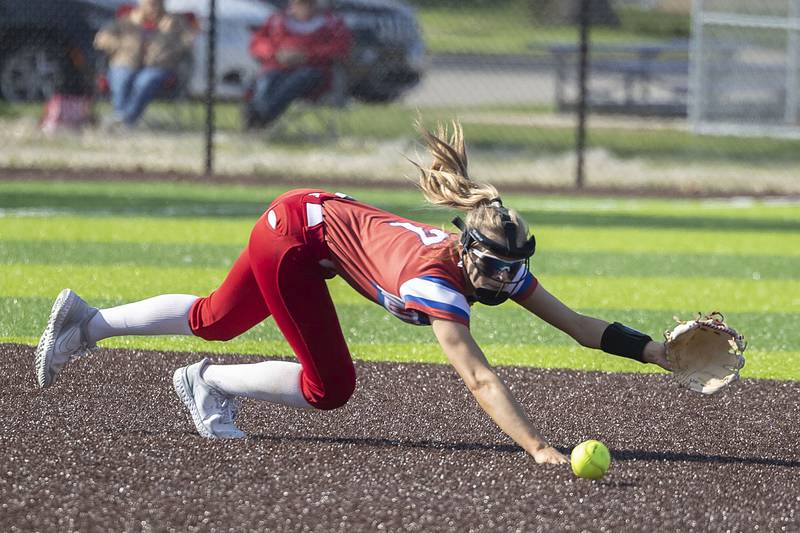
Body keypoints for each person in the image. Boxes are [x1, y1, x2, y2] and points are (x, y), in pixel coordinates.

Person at [34, 120, 672, 465]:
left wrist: (656, 355)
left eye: (515, 269)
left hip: (301, 216)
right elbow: (478, 380)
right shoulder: (440, 284)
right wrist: (539, 448)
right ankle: (209, 385)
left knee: (215, 317)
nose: (508, 280)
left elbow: (579, 325)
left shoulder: (489, 265)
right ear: (469, 251)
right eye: (498, 268)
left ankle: (86, 324)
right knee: (331, 387)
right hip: (295, 239)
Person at [245, 0, 351, 129]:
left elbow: (341, 47)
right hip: (278, 67)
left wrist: (307, 55)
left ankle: (262, 116)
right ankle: (256, 118)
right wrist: (276, 54)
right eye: (299, 3)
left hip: (313, 71)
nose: (304, 7)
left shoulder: (331, 23)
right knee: (265, 81)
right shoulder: (277, 20)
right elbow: (258, 43)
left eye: (309, 4)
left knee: (296, 81)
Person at [94, 0, 196, 128]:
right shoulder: (127, 20)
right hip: (126, 61)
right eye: (149, 3)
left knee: (144, 81)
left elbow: (188, 41)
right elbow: (102, 38)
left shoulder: (174, 21)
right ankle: (122, 118)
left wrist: (171, 51)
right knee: (121, 78)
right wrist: (120, 46)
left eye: (157, 3)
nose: (153, 6)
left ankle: (124, 120)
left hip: (158, 66)